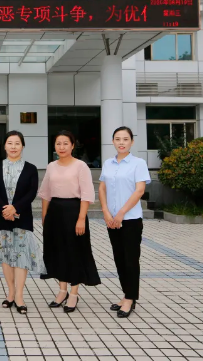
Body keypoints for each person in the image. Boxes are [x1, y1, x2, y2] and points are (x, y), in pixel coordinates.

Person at [0, 131, 45, 315]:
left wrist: (15, 208)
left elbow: (32, 193)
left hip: (22, 216)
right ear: (5, 146)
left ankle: (19, 296)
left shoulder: (31, 168)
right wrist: (6, 210)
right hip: (1, 216)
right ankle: (10, 292)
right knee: (6, 255)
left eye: (17, 143)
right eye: (10, 143)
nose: (13, 147)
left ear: (22, 146)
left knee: (21, 256)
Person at [39, 130, 100, 313]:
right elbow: (45, 193)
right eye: (58, 143)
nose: (62, 147)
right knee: (58, 251)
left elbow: (87, 194)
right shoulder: (51, 166)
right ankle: (62, 290)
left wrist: (81, 218)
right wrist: (44, 216)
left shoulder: (81, 166)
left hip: (74, 211)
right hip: (55, 212)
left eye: (66, 143)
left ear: (73, 145)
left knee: (74, 252)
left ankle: (74, 293)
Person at [99, 126, 151, 318]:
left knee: (131, 259)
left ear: (132, 142)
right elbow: (102, 188)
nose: (121, 142)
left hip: (130, 220)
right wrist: (106, 211)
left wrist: (121, 213)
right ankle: (126, 294)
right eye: (118, 139)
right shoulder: (108, 163)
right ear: (113, 141)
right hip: (112, 220)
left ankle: (130, 298)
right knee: (119, 258)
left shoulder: (138, 163)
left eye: (125, 139)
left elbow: (139, 191)